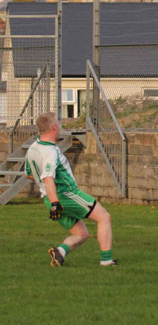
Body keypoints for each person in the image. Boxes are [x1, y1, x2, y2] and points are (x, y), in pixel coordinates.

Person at [25, 112, 117, 267]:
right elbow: (48, 178)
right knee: (104, 217)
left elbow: (29, 174)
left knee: (81, 234)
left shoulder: (33, 148)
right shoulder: (50, 152)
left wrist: (50, 195)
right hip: (65, 195)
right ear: (54, 127)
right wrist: (56, 202)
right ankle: (106, 261)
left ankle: (59, 252)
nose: (60, 127)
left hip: (50, 198)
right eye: (59, 124)